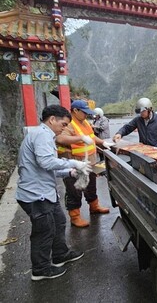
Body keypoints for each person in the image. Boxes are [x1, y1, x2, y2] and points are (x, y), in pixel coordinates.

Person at [16, 105, 92, 281]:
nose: (64, 128)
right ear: (52, 120)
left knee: (59, 222)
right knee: (44, 230)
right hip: (36, 194)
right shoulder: (42, 134)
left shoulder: (45, 135)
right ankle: (40, 269)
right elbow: (46, 162)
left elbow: (48, 167)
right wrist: (74, 163)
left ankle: (60, 254)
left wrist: (70, 172)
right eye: (63, 124)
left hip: (45, 192)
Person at [56, 100, 113, 228]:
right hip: (74, 164)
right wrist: (80, 138)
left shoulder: (85, 122)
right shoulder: (68, 124)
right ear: (75, 111)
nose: (86, 115)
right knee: (74, 190)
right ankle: (75, 216)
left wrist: (102, 143)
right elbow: (60, 138)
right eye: (84, 112)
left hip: (89, 163)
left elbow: (92, 137)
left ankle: (94, 206)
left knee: (91, 186)